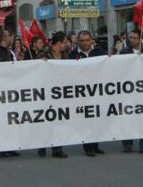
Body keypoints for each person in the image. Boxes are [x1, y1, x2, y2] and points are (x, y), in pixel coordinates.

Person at [118, 30, 143, 154]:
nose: (131, 40)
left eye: (134, 38)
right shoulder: (124, 52)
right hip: (128, 89)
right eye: (130, 37)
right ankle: (127, 144)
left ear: (140, 39)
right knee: (127, 116)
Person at [67, 31, 106, 157]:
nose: (84, 43)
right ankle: (88, 146)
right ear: (78, 41)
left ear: (91, 40)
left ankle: (95, 144)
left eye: (87, 40)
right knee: (86, 120)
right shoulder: (73, 54)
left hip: (98, 91)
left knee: (97, 119)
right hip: (82, 93)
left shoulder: (100, 52)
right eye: (82, 40)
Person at [36, 31, 69, 159]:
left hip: (60, 93)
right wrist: (40, 63)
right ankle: (42, 145)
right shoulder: (44, 54)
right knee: (45, 120)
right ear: (58, 43)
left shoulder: (65, 56)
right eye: (64, 42)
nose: (66, 45)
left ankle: (57, 148)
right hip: (46, 93)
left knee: (59, 120)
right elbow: (34, 69)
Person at [0, 30, 20, 157]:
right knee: (0, 120)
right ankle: (0, 147)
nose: (11, 38)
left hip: (10, 90)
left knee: (11, 119)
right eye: (9, 35)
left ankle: (10, 145)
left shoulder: (9, 52)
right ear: (3, 38)